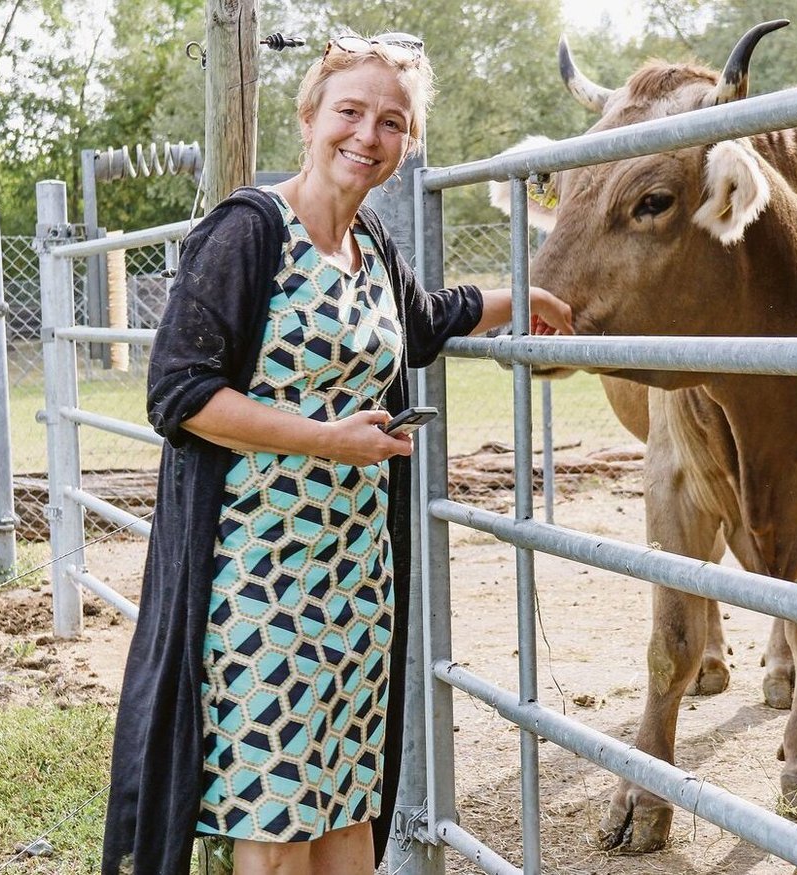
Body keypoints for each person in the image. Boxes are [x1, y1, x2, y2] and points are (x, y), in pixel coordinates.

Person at [101, 31, 572, 875]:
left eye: (392, 122)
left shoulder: (371, 246)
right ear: (309, 116)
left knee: (348, 811)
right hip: (258, 578)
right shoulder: (248, 231)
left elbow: (423, 320)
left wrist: (522, 298)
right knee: (278, 828)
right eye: (350, 111)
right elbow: (179, 393)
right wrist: (328, 440)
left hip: (357, 579)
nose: (368, 135)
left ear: (409, 143)